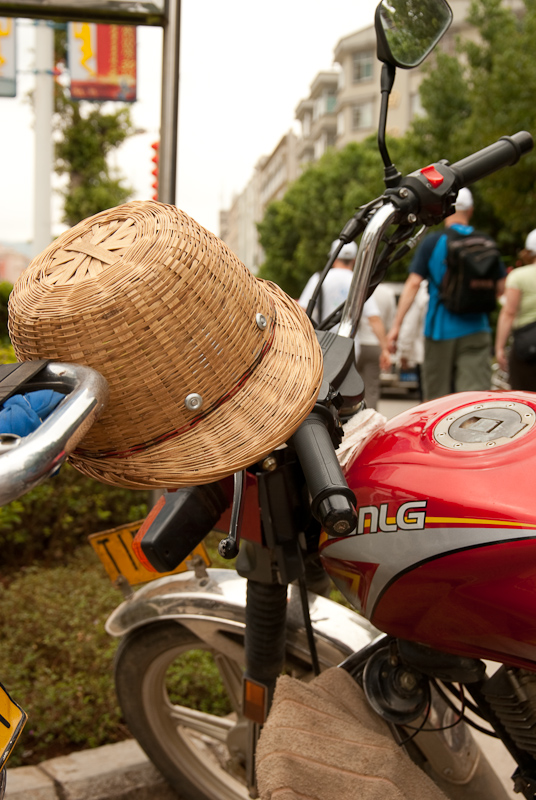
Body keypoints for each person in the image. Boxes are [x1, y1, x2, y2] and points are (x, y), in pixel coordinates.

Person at [387, 188, 506, 400]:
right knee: (474, 401)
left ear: (445, 210)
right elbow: (500, 288)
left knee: (437, 401)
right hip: (478, 329)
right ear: (470, 210)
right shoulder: (487, 242)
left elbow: (414, 284)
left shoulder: (434, 242)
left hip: (440, 332)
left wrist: (396, 326)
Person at [298, 241, 391, 375]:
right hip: (350, 347)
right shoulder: (359, 281)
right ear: (354, 260)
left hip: (321, 345)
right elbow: (374, 318)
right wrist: (385, 349)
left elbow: (301, 311)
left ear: (333, 258)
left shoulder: (319, 278)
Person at [495, 229, 536, 391]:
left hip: (527, 347)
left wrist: (499, 347)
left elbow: (509, 313)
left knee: (524, 397)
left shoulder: (518, 276)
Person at [356, 283, 396, 409]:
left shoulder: (357, 286)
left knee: (351, 387)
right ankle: (370, 423)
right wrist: (385, 347)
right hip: (374, 344)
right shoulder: (387, 292)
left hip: (355, 344)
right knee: (371, 390)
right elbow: (389, 321)